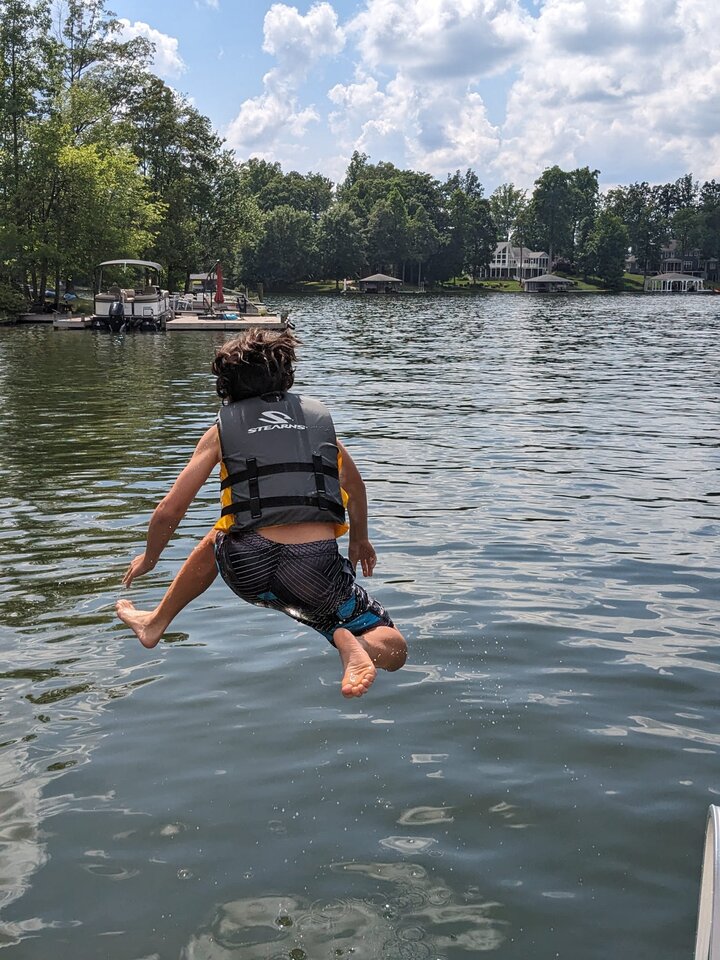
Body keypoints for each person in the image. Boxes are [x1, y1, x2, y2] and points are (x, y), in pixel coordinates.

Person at [115, 329, 407, 698]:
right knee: (394, 647)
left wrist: (150, 558)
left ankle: (155, 623)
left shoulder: (221, 431)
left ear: (226, 387)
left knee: (224, 531)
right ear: (287, 377)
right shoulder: (319, 428)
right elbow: (357, 490)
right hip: (314, 575)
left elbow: (170, 510)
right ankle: (356, 645)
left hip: (246, 566)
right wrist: (359, 540)